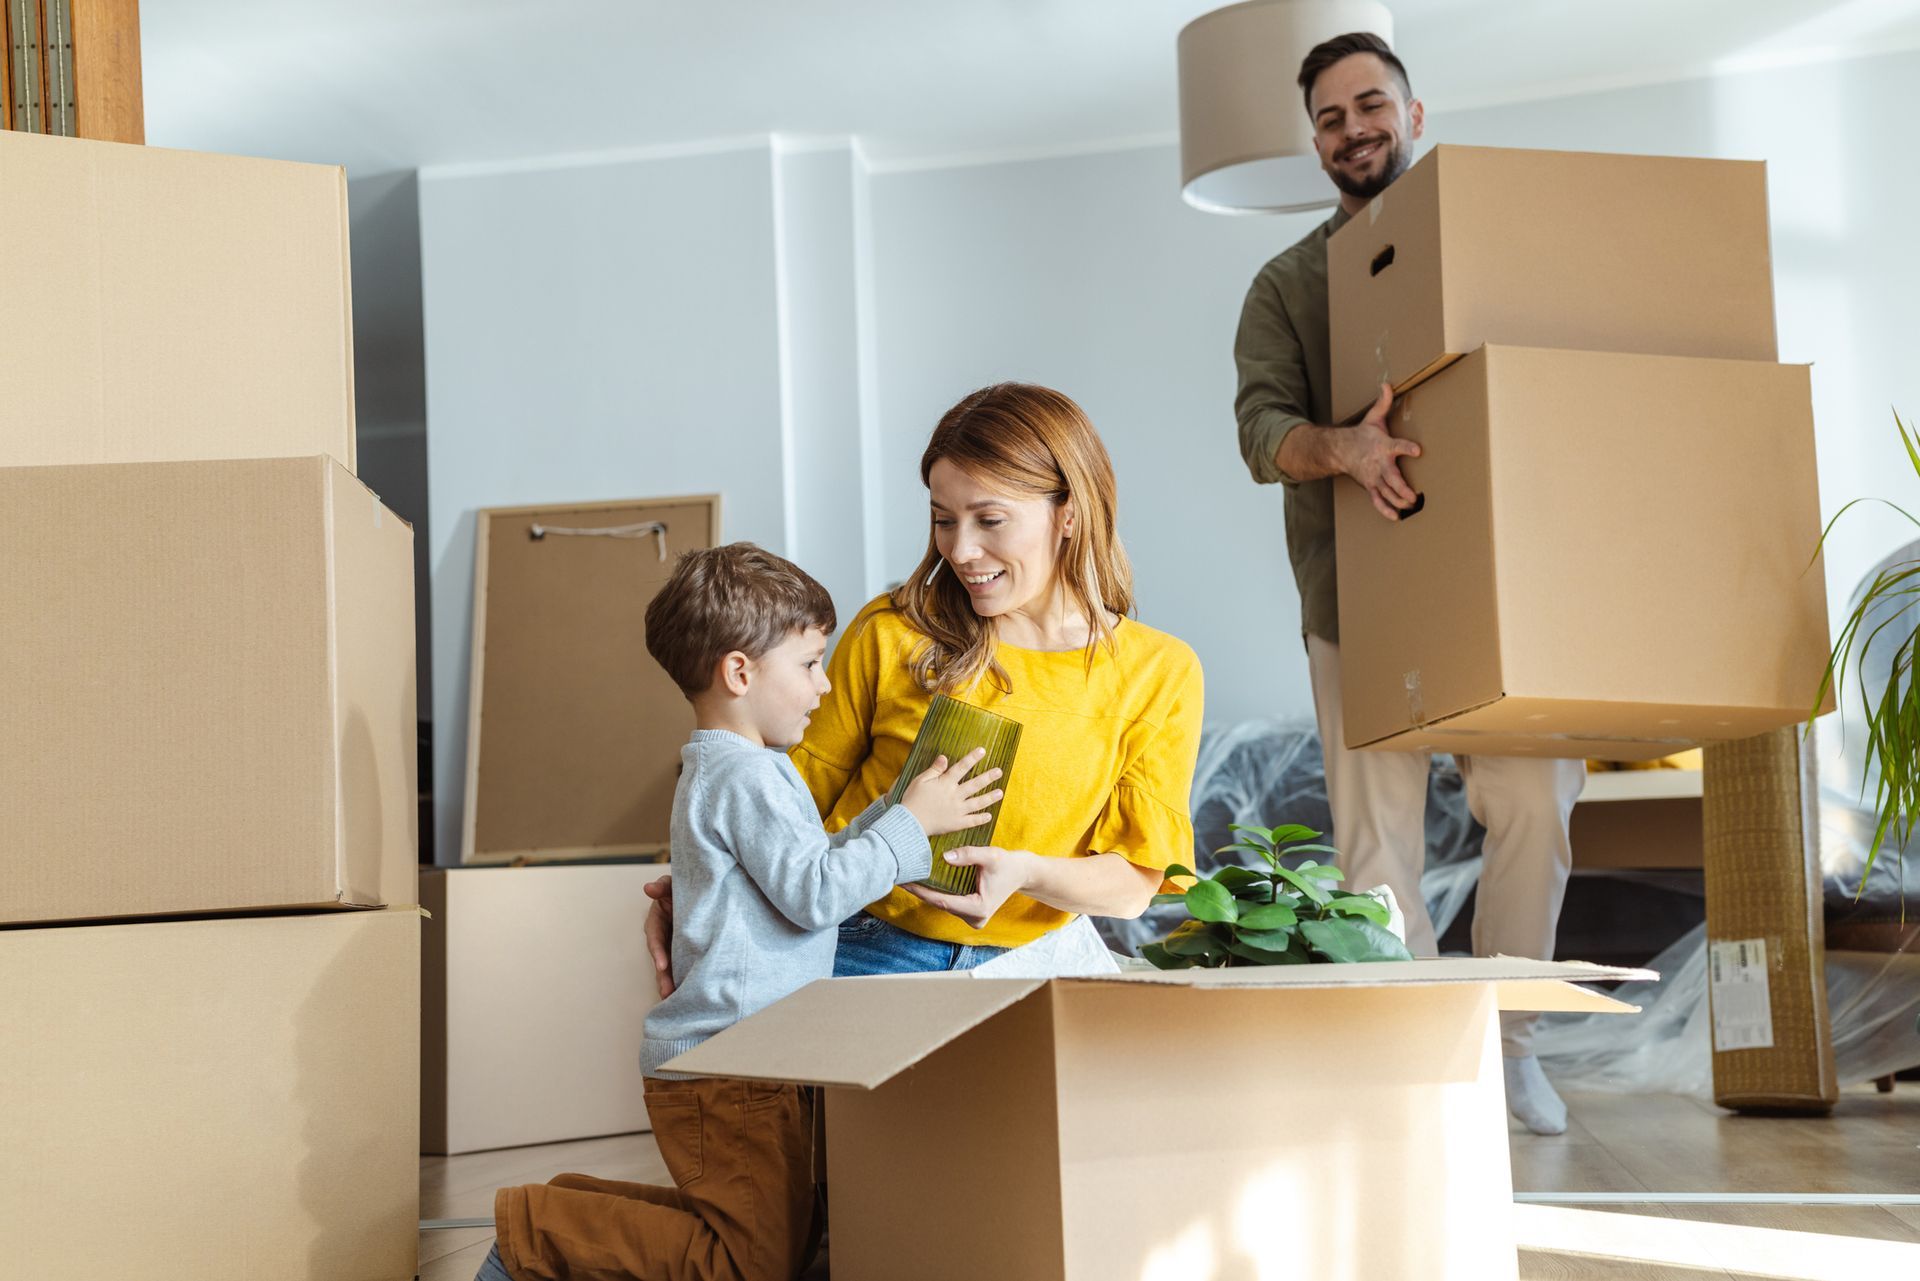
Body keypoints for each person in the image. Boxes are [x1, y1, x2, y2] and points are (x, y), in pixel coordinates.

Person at [476, 543, 1004, 1281]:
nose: (824, 686)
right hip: (730, 1065)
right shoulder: (744, 775)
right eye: (811, 662)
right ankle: (537, 1229)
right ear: (740, 671)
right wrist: (911, 825)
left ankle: (559, 1212)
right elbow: (816, 891)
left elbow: (810, 863)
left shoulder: (754, 768)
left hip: (755, 1059)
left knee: (768, 1242)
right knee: (749, 1263)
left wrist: (898, 806)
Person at [1232, 32, 1584, 1136]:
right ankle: (1426, 1060)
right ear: (1316, 141)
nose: (1353, 130)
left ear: (1415, 114)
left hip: (1498, 587)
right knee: (1376, 841)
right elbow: (1261, 432)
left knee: (1536, 799)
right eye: (1330, 118)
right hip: (1354, 598)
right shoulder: (1286, 285)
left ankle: (1511, 1039)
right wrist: (1348, 451)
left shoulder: (1491, 235)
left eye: (1370, 105)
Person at [645, 381, 1205, 987]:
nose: (961, 549)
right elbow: (780, 809)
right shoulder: (891, 633)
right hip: (857, 945)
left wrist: (1025, 872)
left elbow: (1134, 886)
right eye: (944, 519)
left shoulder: (1160, 672)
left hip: (1029, 967)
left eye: (990, 519)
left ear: (1068, 514)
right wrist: (700, 892)